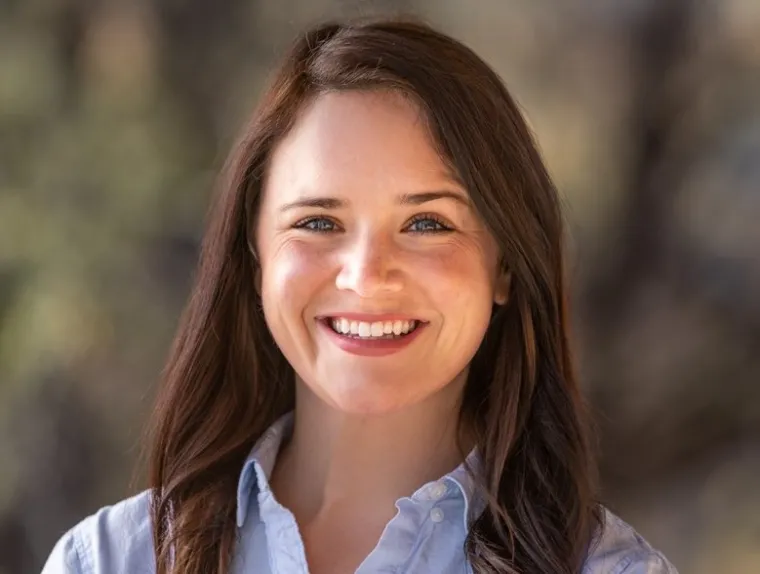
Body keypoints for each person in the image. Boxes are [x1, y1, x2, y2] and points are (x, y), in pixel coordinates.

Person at [41, 17, 677, 574]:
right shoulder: (109, 561)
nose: (367, 275)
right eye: (318, 222)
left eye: (428, 224)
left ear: (505, 265)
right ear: (254, 254)